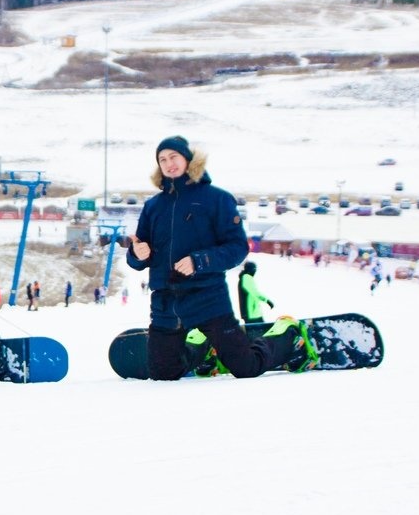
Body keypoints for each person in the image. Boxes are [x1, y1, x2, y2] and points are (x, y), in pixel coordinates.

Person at [125, 135, 316, 380]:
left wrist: (199, 261)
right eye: (162, 159)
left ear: (188, 160)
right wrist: (137, 254)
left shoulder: (216, 199)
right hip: (166, 302)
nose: (168, 163)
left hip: (207, 297)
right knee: (163, 374)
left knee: (246, 368)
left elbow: (237, 247)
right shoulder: (154, 206)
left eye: (174, 156)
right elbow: (138, 254)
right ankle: (203, 350)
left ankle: (287, 336)